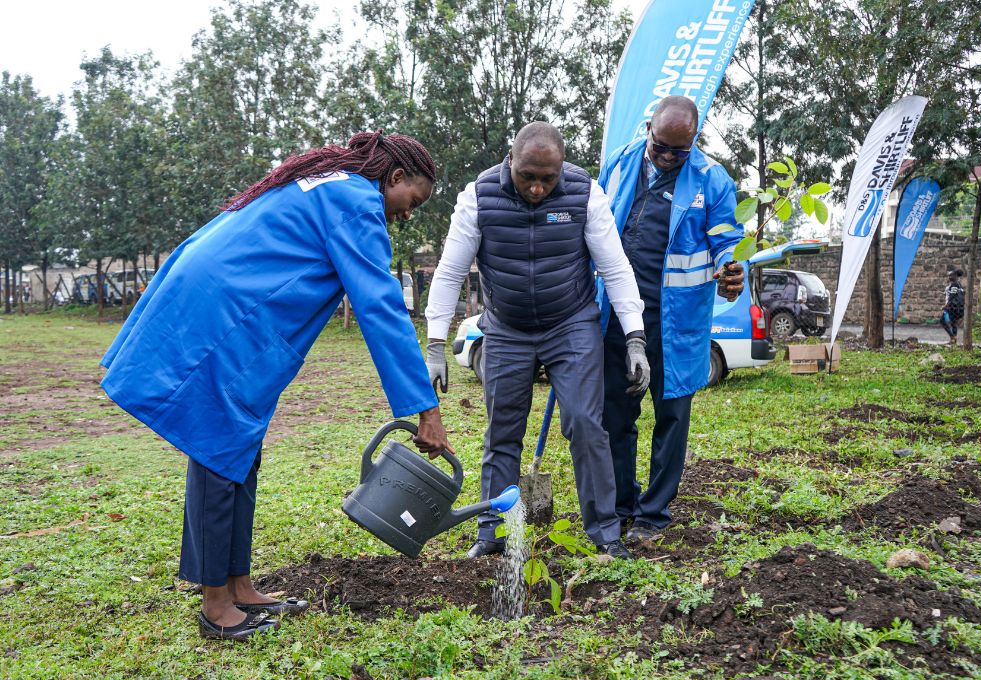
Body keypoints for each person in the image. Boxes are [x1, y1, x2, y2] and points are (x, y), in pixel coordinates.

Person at [100, 131, 452, 640]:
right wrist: (426, 409)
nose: (407, 214)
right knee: (219, 448)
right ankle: (216, 605)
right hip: (226, 316)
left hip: (226, 302)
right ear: (394, 176)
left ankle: (239, 584)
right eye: (411, 200)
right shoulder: (356, 201)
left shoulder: (329, 183)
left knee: (239, 448)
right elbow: (381, 308)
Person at [424, 121, 649, 560]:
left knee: (585, 423)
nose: (537, 188)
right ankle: (493, 533)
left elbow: (616, 268)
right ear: (510, 160)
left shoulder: (585, 194)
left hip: (571, 324)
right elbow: (449, 272)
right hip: (506, 329)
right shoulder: (478, 197)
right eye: (527, 176)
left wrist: (635, 338)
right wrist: (435, 346)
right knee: (502, 430)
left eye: (548, 179)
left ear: (561, 168)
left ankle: (605, 533)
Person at [599, 96, 746, 541]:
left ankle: (652, 515)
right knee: (615, 416)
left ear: (694, 142)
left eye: (678, 152)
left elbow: (727, 239)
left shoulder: (712, 179)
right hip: (619, 316)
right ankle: (621, 506)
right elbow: (596, 220)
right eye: (660, 146)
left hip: (676, 322)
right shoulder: (621, 162)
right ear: (649, 128)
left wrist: (731, 268)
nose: (666, 157)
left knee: (672, 417)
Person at [941, 268, 965, 345]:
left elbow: (952, 296)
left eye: (951, 275)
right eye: (948, 276)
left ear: (956, 276)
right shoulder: (958, 284)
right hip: (955, 307)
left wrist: (946, 305)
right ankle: (953, 340)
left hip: (951, 307)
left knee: (942, 321)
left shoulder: (955, 284)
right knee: (953, 323)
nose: (949, 277)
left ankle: (952, 337)